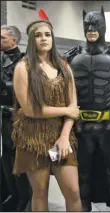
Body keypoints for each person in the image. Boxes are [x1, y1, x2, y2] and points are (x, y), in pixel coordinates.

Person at [11, 20, 82, 211]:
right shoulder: (23, 68)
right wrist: (65, 110)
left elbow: (73, 104)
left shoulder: (64, 66)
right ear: (32, 40)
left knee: (73, 192)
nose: (44, 39)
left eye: (47, 34)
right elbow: (29, 109)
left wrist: (65, 136)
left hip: (61, 136)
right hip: (32, 137)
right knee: (40, 192)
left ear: (53, 38)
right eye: (38, 35)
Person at [66, 7, 110, 211]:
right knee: (82, 171)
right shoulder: (72, 55)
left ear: (104, 26)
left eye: (96, 25)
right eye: (88, 25)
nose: (91, 29)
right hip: (81, 126)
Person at [0, 25, 32, 211]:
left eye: (2, 38)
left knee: (18, 160)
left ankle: (25, 197)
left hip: (18, 117)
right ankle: (11, 194)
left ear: (14, 40)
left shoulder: (25, 61)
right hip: (2, 118)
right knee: (4, 159)